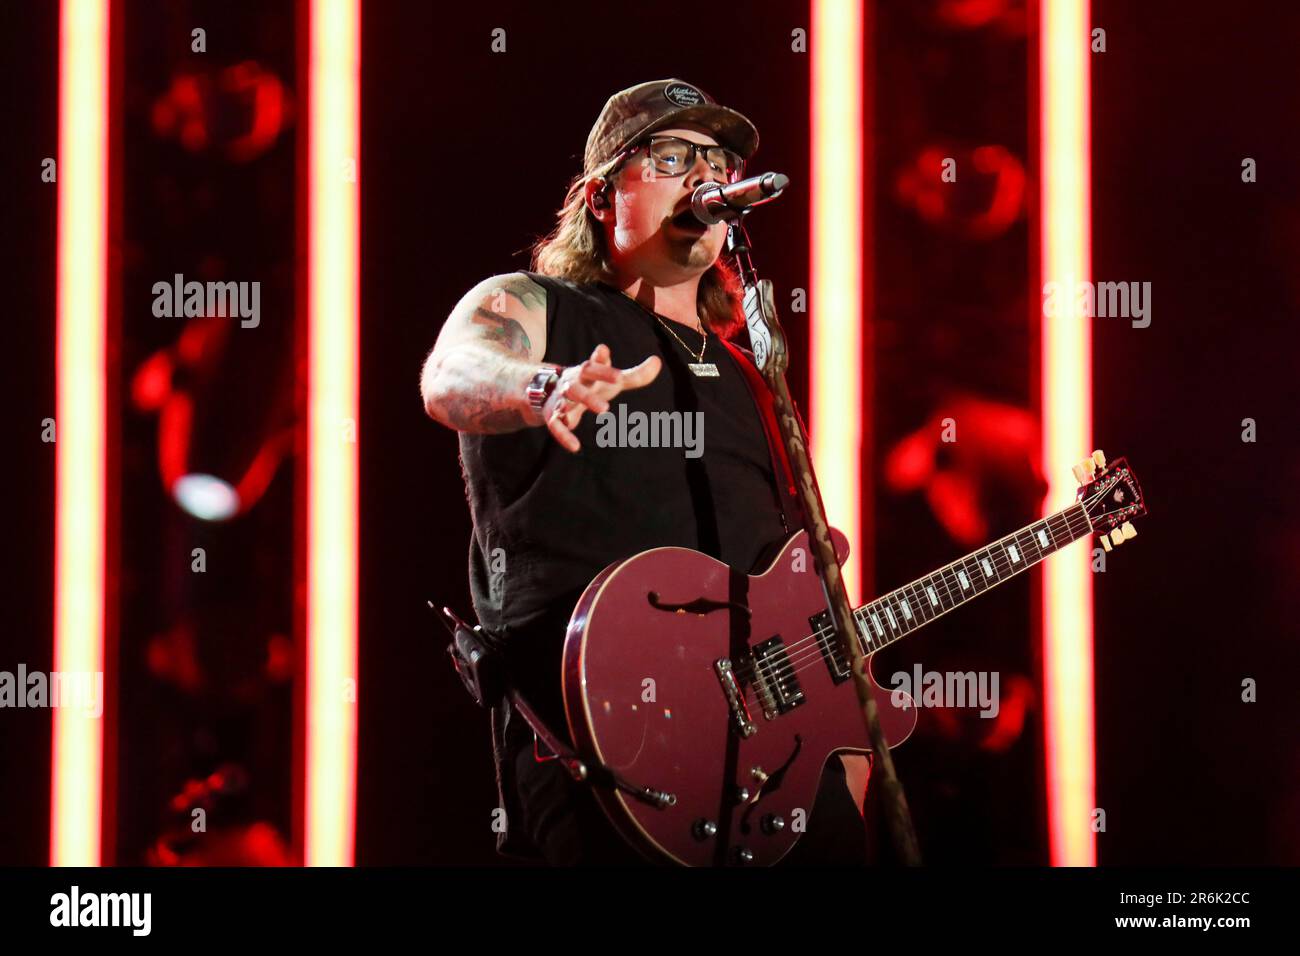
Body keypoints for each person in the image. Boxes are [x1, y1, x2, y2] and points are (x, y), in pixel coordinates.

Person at [421, 78, 871, 866]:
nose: (703, 174)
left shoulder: (753, 376)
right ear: (601, 197)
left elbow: (797, 585)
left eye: (716, 158)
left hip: (773, 776)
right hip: (604, 759)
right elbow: (452, 374)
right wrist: (543, 385)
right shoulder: (540, 307)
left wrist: (847, 754)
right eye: (669, 156)